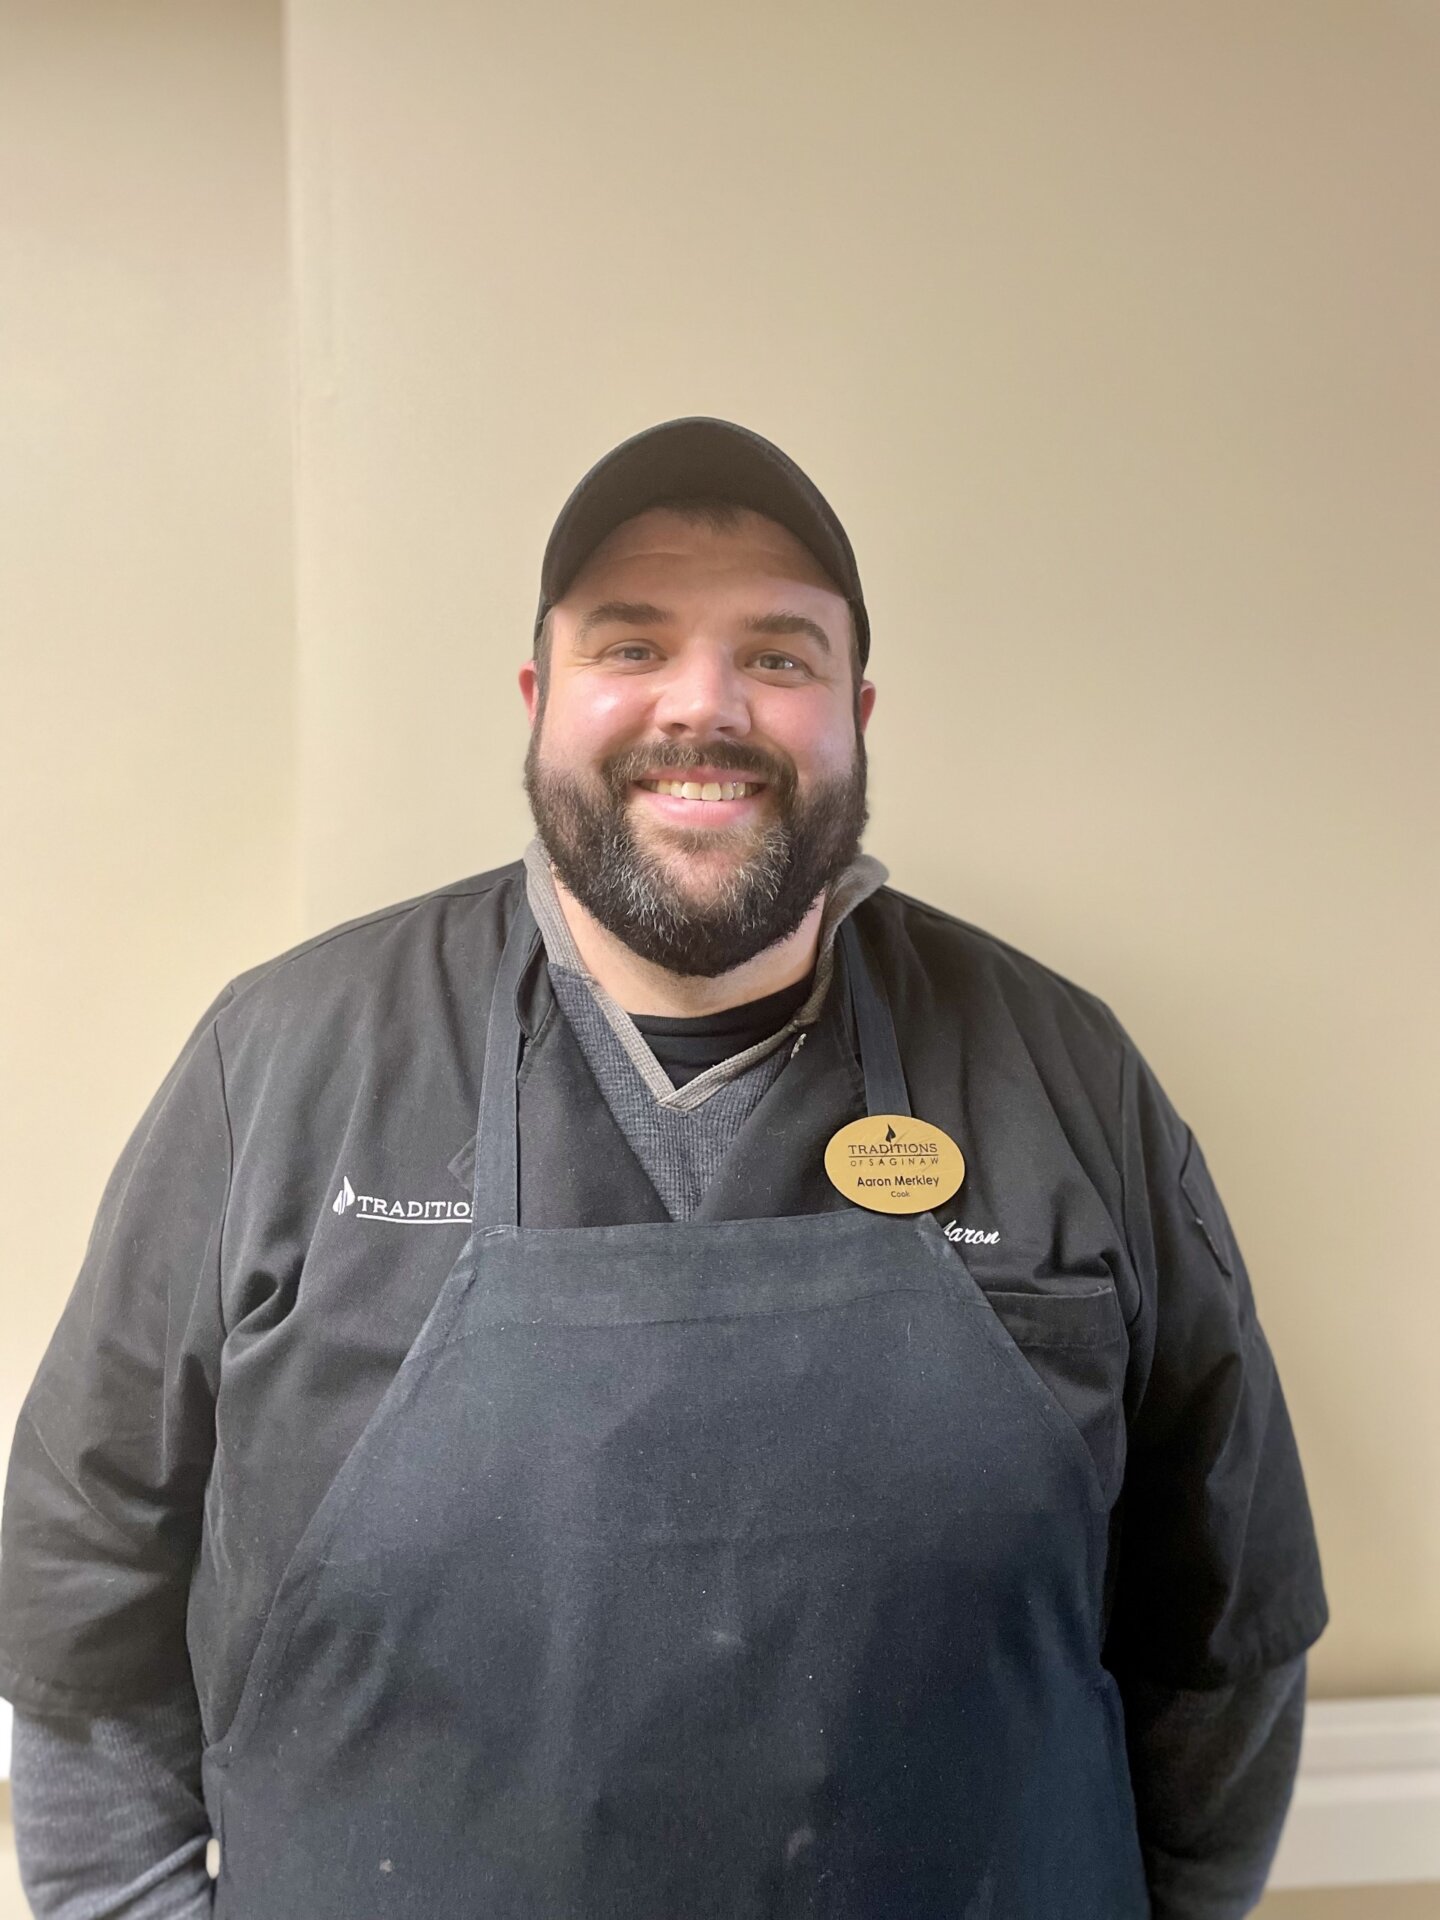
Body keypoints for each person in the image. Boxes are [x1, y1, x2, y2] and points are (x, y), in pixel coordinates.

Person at [0, 417, 1327, 1918]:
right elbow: (83, 1598)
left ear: (859, 713)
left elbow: (1227, 1627)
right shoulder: (284, 1062)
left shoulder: (1064, 1072)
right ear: (537, 699)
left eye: (778, 657)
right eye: (632, 646)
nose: (706, 707)